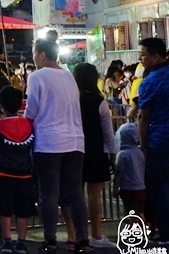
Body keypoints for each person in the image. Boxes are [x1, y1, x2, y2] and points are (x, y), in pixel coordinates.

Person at [23, 38, 88, 254]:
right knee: (75, 193)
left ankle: (50, 240)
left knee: (48, 193)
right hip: (75, 140)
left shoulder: (37, 76)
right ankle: (83, 240)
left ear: (42, 54)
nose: (33, 57)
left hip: (49, 141)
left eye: (34, 53)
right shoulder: (68, 75)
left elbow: (31, 109)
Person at [72, 63, 117, 248]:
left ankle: (74, 234)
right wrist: (114, 155)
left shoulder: (72, 100)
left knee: (74, 194)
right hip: (96, 151)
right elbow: (108, 132)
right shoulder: (100, 102)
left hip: (73, 148)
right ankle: (96, 235)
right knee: (95, 195)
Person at [0, 86, 36, 254]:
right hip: (25, 173)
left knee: (5, 209)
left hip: (4, 173)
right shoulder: (28, 124)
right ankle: (22, 242)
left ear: (1, 105)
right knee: (23, 210)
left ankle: (7, 241)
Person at [136, 36, 169, 244]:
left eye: (143, 55)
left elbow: (143, 116)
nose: (141, 59)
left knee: (163, 187)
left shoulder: (150, 82)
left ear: (156, 57)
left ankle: (165, 232)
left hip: (160, 140)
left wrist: (142, 144)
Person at [114, 121, 146, 221]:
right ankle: (144, 230)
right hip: (141, 187)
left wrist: (114, 188)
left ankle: (139, 232)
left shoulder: (122, 155)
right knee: (139, 211)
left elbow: (118, 173)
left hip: (128, 189)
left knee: (131, 213)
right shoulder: (139, 152)